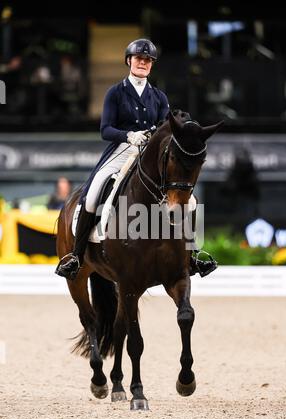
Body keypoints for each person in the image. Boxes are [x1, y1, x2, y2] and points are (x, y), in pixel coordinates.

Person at [55, 38, 217, 280]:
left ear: (151, 65)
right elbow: (105, 129)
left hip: (150, 153)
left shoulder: (159, 97)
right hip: (122, 149)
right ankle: (77, 255)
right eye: (139, 58)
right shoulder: (115, 93)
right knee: (93, 192)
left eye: (147, 60)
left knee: (189, 200)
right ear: (129, 61)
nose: (143, 62)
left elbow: (166, 127)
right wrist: (129, 135)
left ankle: (192, 255)